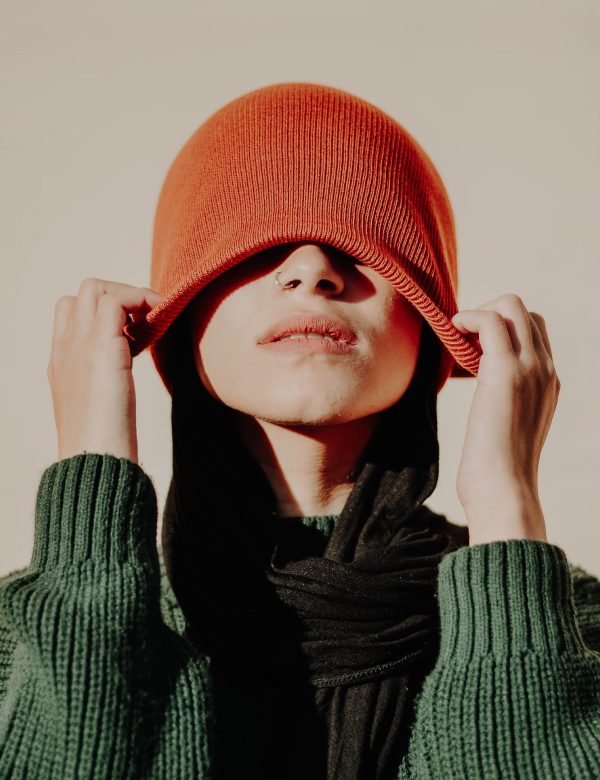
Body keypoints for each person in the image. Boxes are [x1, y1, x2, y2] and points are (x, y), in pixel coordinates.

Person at [1, 82, 599, 780]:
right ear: (183, 315)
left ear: (430, 322)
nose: (312, 269)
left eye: (361, 242)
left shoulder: (572, 626)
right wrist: (90, 485)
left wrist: (506, 506)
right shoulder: (20, 639)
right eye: (254, 244)